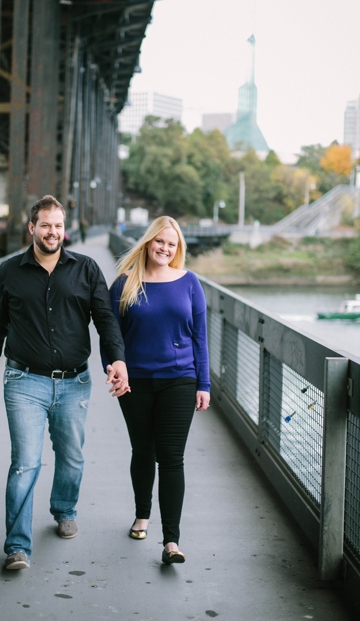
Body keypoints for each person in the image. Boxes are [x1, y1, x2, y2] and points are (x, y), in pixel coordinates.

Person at [0, 195, 129, 571]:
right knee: (26, 464)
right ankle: (17, 546)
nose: (52, 232)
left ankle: (64, 509)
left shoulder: (87, 269)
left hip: (75, 382)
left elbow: (105, 319)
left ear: (65, 229)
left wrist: (117, 360)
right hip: (23, 380)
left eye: (58, 225)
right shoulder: (10, 271)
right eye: (45, 225)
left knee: (72, 457)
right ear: (31, 228)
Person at [105, 216, 210, 565]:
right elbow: (111, 335)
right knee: (143, 449)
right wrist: (114, 368)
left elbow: (200, 337)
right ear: (148, 242)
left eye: (172, 244)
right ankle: (141, 514)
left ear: (178, 248)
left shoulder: (190, 282)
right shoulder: (124, 283)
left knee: (171, 457)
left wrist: (204, 383)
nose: (165, 248)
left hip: (180, 380)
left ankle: (171, 541)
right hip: (134, 382)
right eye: (159, 242)